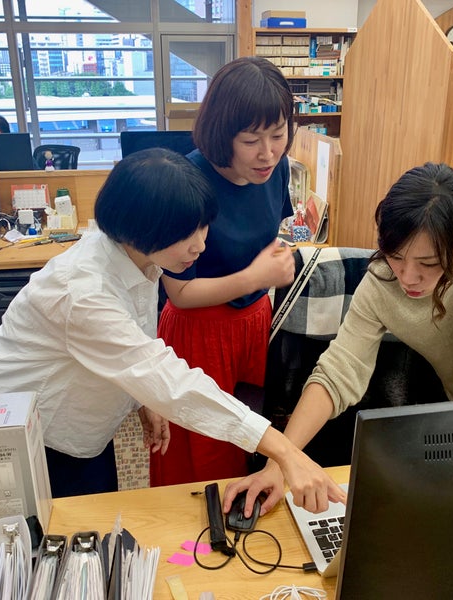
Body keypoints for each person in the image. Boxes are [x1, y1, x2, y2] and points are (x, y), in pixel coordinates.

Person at [0, 148, 345, 511]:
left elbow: (134, 341)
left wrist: (142, 399)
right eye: (187, 234)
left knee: (96, 510)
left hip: (80, 422)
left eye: (203, 228)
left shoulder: (139, 257)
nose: (201, 245)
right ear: (142, 229)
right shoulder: (82, 292)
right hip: (29, 428)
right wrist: (285, 451)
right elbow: (169, 381)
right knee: (53, 530)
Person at [224, 161, 453, 516]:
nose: (408, 277)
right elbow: (338, 371)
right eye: (396, 256)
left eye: (428, 263)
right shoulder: (382, 280)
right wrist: (280, 464)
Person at [149, 57, 297, 487]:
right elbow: (179, 292)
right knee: (203, 452)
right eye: (251, 140)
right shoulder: (188, 181)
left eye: (278, 134)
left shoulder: (275, 169)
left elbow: (268, 237)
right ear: (222, 134)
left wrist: (273, 266)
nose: (268, 152)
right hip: (199, 330)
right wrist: (256, 277)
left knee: (250, 442)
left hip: (254, 323)